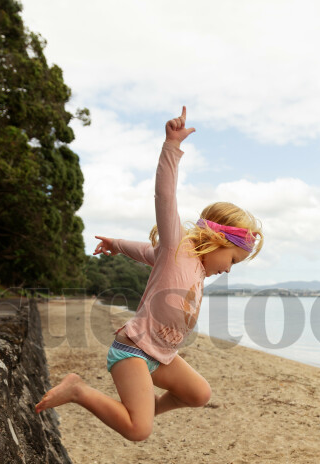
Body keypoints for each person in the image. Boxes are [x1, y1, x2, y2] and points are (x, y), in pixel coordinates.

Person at [34, 106, 263, 441]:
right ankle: (78, 390)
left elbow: (142, 251)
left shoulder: (194, 267)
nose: (228, 269)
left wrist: (115, 243)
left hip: (162, 356)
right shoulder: (177, 248)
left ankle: (149, 406)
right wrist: (171, 147)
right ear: (216, 241)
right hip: (133, 352)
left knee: (199, 394)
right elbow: (165, 196)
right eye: (232, 259)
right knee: (138, 431)